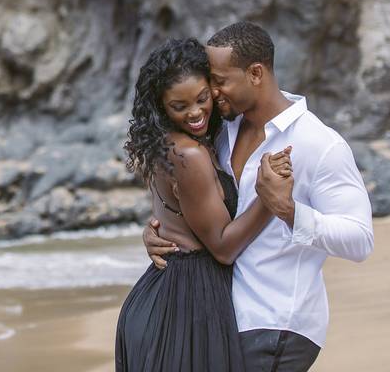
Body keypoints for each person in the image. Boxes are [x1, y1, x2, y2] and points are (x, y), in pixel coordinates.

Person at [143, 22, 374, 371]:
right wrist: (163, 233)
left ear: (255, 73)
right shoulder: (223, 132)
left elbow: (360, 240)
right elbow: (198, 203)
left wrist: (288, 209)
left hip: (277, 320)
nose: (213, 92)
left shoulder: (320, 144)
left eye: (219, 81)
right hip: (224, 316)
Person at [115, 38, 293, 372]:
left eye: (201, 98)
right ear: (161, 108)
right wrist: (268, 197)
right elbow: (224, 248)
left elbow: (174, 214)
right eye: (179, 106)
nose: (196, 112)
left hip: (167, 293)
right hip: (186, 303)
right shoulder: (190, 154)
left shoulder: (177, 143)